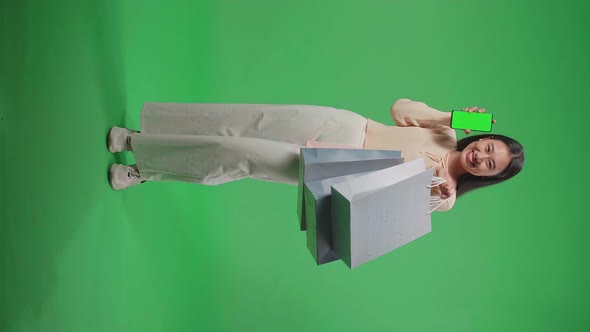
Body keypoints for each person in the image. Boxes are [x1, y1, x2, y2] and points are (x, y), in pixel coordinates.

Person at [106, 99, 525, 211]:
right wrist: (449, 115)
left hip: (339, 169)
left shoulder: (447, 193)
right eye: (488, 147)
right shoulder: (447, 132)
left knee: (237, 154)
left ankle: (145, 168)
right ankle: (144, 134)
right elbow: (400, 109)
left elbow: (396, 207)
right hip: (346, 127)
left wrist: (433, 191)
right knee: (249, 120)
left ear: (487, 178)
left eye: (491, 165)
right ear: (480, 138)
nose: (481, 158)